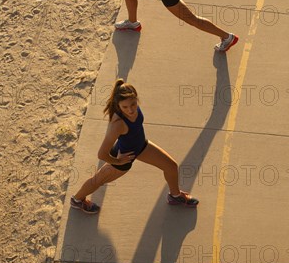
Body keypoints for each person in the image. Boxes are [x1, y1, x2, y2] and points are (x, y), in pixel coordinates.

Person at [70, 79, 199, 214]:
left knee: (171, 166)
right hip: (123, 159)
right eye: (125, 107)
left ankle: (175, 196)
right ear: (118, 105)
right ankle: (77, 200)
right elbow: (101, 154)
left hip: (141, 146)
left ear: (136, 98)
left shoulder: (134, 107)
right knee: (97, 181)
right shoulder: (118, 124)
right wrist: (118, 161)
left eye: (133, 104)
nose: (130, 110)